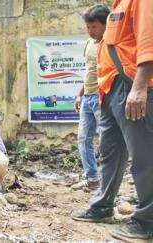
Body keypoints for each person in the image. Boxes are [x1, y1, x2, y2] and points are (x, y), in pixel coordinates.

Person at [71, 0, 153, 241]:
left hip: (130, 86)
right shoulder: (117, 5)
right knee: (110, 153)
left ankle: (147, 221)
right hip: (108, 90)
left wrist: (138, 88)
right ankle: (102, 206)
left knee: (144, 157)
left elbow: (148, 43)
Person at [71, 4, 110, 191]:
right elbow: (88, 72)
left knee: (107, 141)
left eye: (94, 26)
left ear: (105, 24)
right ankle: (92, 179)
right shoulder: (89, 44)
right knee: (83, 138)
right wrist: (80, 95)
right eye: (88, 27)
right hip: (88, 98)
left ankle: (108, 183)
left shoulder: (111, 45)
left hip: (104, 98)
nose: (90, 31)